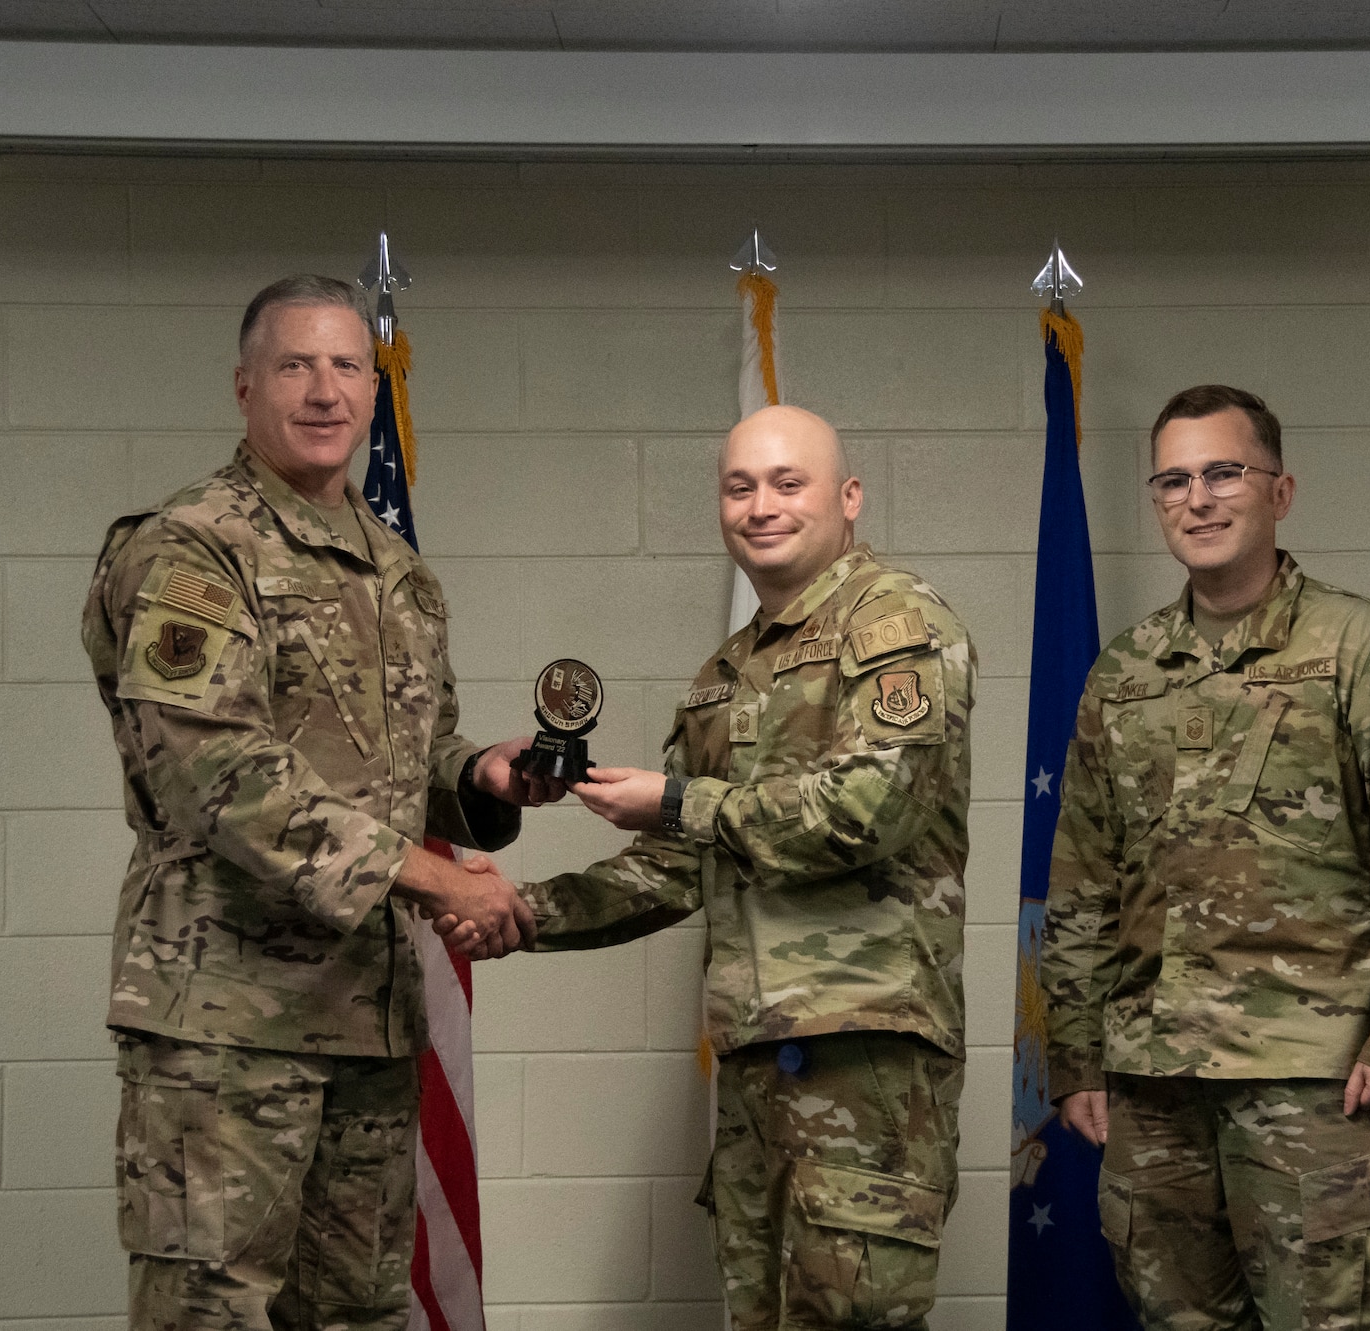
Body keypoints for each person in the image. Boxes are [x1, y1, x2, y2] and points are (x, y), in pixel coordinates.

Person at [82, 274, 560, 1331]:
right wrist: (440, 875)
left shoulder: (396, 571)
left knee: (356, 1312)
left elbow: (406, 755)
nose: (323, 389)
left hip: (364, 1015)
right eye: (294, 364)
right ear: (244, 386)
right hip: (225, 1021)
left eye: (347, 364)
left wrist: (480, 776)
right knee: (210, 1311)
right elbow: (219, 774)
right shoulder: (192, 549)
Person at [501, 404, 974, 1330]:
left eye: (788, 483)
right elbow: (680, 865)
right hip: (758, 1058)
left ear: (848, 497)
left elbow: (866, 813)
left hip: (863, 1056)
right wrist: (522, 912)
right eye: (740, 485)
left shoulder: (896, 625)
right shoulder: (726, 671)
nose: (762, 506)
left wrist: (676, 798)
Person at [1040, 384, 1370, 1331]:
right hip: (1153, 1084)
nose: (1197, 498)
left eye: (1222, 472)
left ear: (1279, 492)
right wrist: (1076, 1057)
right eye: (1173, 478)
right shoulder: (1125, 673)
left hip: (1315, 1076)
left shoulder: (1358, 644)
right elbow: (1082, 878)